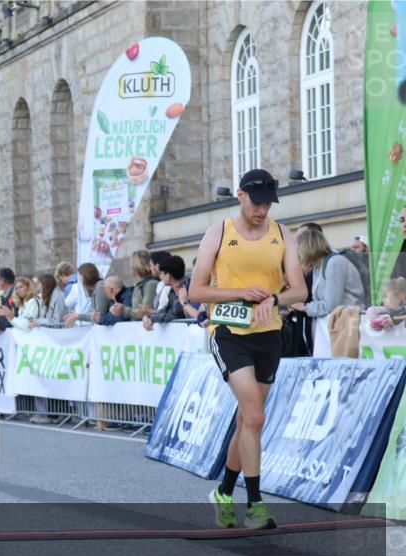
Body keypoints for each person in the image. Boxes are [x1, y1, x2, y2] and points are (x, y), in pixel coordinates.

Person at [188, 169, 307, 530]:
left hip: (269, 334)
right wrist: (239, 294)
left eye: (268, 203)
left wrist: (273, 297)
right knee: (255, 417)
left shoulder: (282, 233)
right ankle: (255, 504)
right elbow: (196, 291)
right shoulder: (219, 233)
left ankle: (224, 492)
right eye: (257, 202)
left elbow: (300, 291)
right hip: (228, 332)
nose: (262, 209)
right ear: (240, 195)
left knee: (246, 420)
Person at [290, 228, 366, 320]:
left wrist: (305, 307)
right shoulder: (318, 267)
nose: (296, 254)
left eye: (298, 249)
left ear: (308, 247)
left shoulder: (334, 263)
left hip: (349, 322)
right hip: (338, 322)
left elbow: (331, 306)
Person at [142, 255, 188, 330]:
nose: (160, 276)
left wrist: (150, 317)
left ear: (169, 275)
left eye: (162, 273)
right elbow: (164, 310)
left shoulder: (184, 288)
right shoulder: (171, 291)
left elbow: (171, 313)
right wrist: (147, 316)